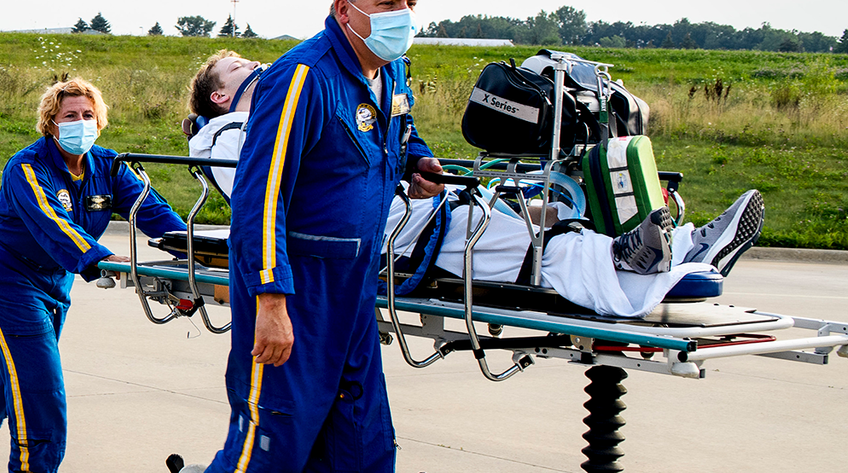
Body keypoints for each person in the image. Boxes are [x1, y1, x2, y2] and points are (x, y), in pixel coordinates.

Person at [160, 0, 445, 473]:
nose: (401, 14)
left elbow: (396, 135)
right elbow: (261, 197)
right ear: (345, 7)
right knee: (274, 446)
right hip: (297, 286)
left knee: (361, 450)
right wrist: (273, 300)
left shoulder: (391, 72)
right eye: (386, 1)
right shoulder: (302, 78)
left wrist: (416, 159)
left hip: (354, 289)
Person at [184, 51, 766, 316]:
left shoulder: (303, 99)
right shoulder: (226, 135)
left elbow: (374, 144)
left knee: (532, 203)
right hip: (382, 233)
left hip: (404, 211)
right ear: (219, 95)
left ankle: (684, 244)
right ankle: (630, 264)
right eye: (240, 68)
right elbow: (270, 191)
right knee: (518, 244)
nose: (258, 67)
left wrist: (414, 161)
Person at [0, 78, 189, 473]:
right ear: (51, 123)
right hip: (7, 272)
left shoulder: (108, 167)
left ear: (101, 122)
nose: (80, 123)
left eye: (88, 115)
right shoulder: (26, 167)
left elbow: (153, 210)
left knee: (17, 373)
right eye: (70, 116)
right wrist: (95, 260)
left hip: (57, 275)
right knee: (40, 376)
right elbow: (51, 221)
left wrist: (197, 251)